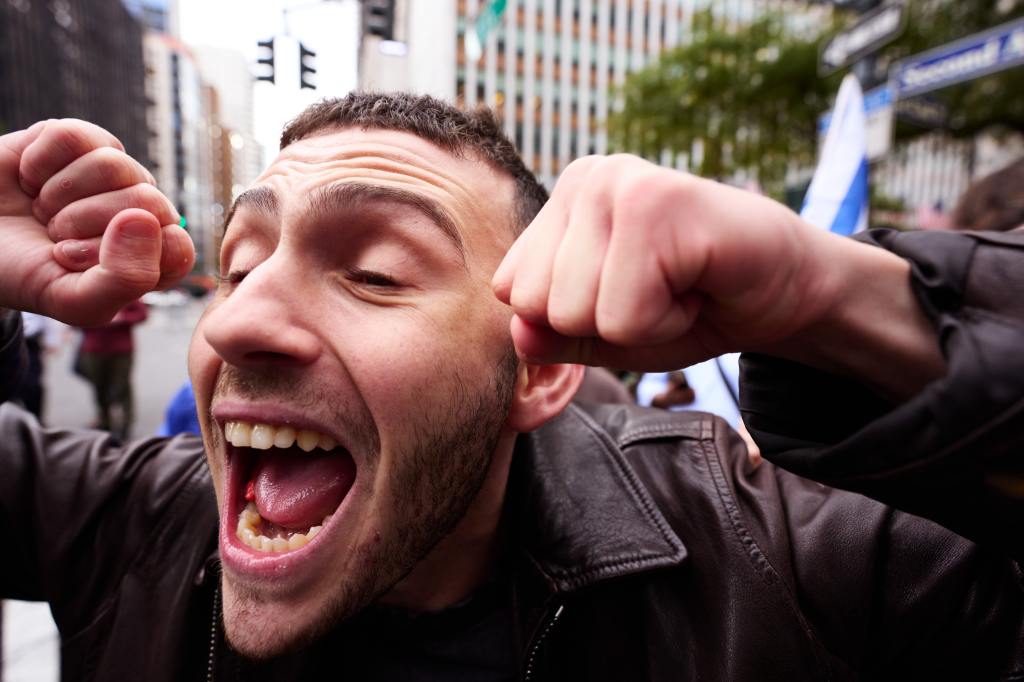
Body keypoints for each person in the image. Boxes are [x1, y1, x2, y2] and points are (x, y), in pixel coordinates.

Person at [0, 98, 1022, 680]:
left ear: (536, 367)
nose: (232, 321)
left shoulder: (784, 568)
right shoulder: (132, 518)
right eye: (239, 263)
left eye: (375, 273)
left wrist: (842, 297)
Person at [75, 298, 147, 439]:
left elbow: (142, 314)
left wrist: (122, 318)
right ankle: (104, 420)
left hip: (121, 350)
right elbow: (72, 317)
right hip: (93, 349)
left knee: (122, 387)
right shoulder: (87, 292)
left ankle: (125, 424)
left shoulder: (126, 291)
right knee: (99, 387)